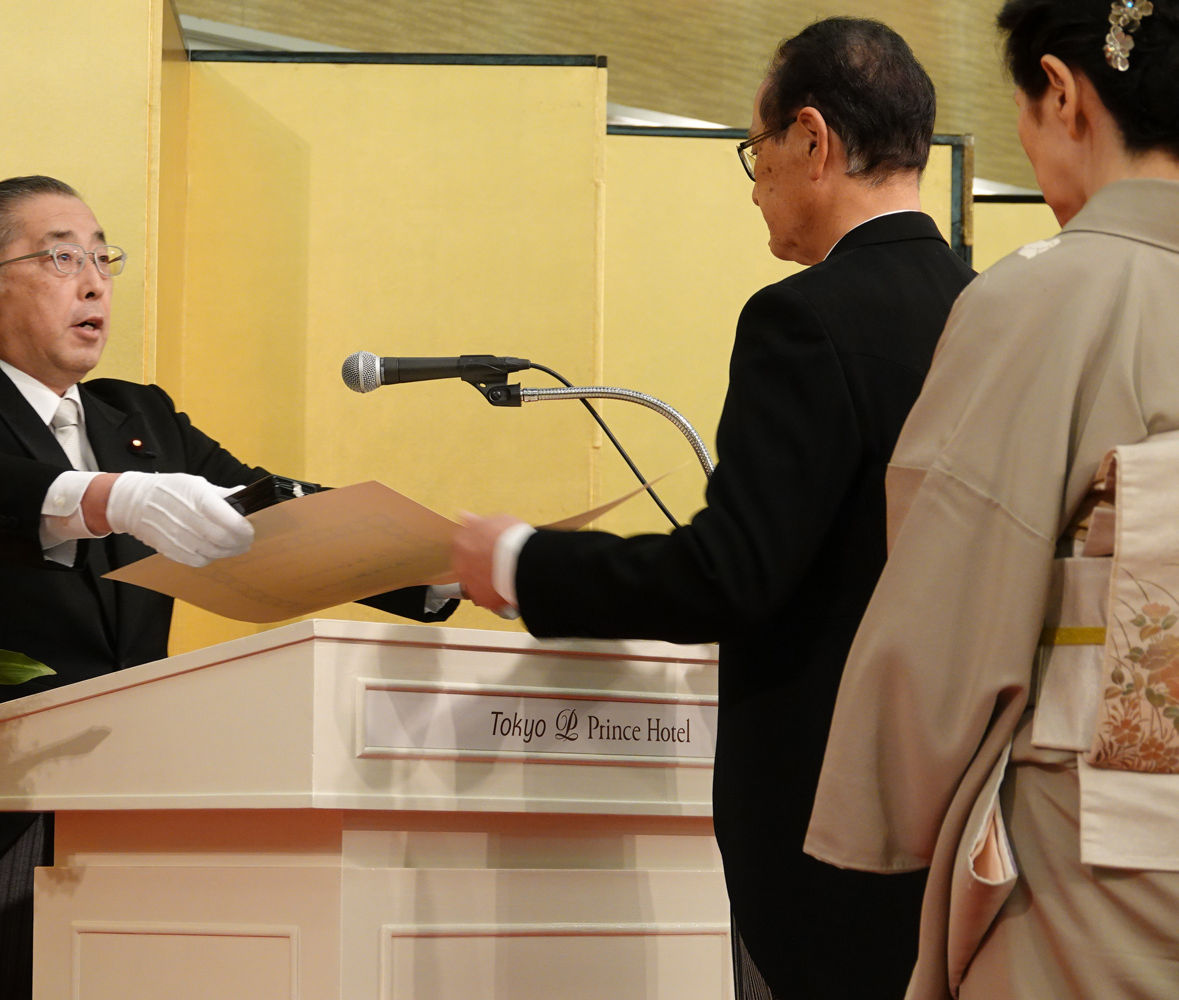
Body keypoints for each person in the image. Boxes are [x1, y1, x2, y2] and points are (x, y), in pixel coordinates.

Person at [451, 18, 974, 1000]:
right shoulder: (987, 312)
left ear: (812, 140)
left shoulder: (802, 319)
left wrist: (520, 562)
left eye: (755, 147)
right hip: (965, 820)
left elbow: (730, 575)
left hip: (830, 833)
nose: (753, 181)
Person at [0, 176, 457, 1000]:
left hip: (137, 806)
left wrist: (437, 562)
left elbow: (271, 512)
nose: (94, 283)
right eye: (62, 258)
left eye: (103, 259)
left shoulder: (139, 417)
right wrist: (111, 498)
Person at [804, 3, 1179, 998]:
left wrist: (889, 805)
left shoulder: (1046, 296)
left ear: (1061, 93)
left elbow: (950, 595)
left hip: (1106, 846)